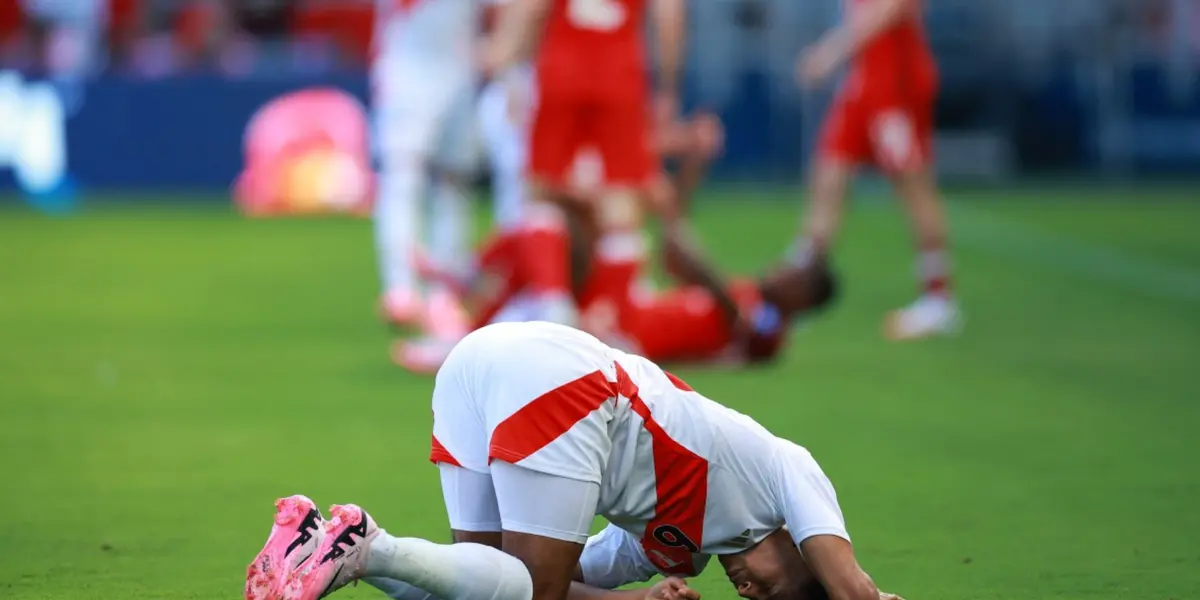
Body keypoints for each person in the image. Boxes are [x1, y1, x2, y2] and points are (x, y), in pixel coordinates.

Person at [246, 322, 902, 600]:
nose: (751, 592)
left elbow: (558, 580)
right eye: (781, 591)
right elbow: (852, 589)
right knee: (529, 586)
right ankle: (364, 548)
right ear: (799, 548)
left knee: (482, 589)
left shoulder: (672, 548)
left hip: (480, 365)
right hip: (578, 385)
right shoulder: (787, 470)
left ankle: (325, 541)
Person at [477, 0, 687, 331]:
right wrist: (669, 87)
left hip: (562, 67)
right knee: (621, 202)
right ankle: (616, 312)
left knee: (543, 192)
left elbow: (530, 7)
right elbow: (668, 14)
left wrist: (506, 61)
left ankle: (552, 301)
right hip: (620, 71)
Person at [796, 0, 959, 340]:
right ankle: (800, 288)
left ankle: (939, 299)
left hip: (894, 83)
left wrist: (832, 51)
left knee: (912, 184)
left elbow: (890, 9)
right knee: (829, 177)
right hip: (865, 79)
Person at [373, 0, 478, 337]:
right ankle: (400, 286)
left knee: (454, 181)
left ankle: (444, 290)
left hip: (462, 68)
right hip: (408, 67)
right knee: (403, 176)